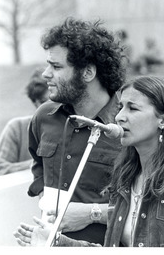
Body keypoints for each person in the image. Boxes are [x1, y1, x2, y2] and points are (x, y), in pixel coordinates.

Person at [14, 75, 164, 247]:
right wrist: (57, 241)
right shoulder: (124, 180)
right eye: (120, 108)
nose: (119, 117)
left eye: (132, 108)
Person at [24, 17, 126, 245]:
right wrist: (45, 197)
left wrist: (92, 214)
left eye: (57, 67)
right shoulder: (44, 117)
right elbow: (38, 165)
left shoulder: (128, 126)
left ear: (88, 72)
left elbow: (149, 210)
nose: (45, 74)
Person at [0, 67, 49, 176]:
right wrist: (38, 164)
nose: (51, 108)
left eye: (56, 102)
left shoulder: (71, 128)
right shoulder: (17, 128)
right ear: (35, 102)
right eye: (44, 103)